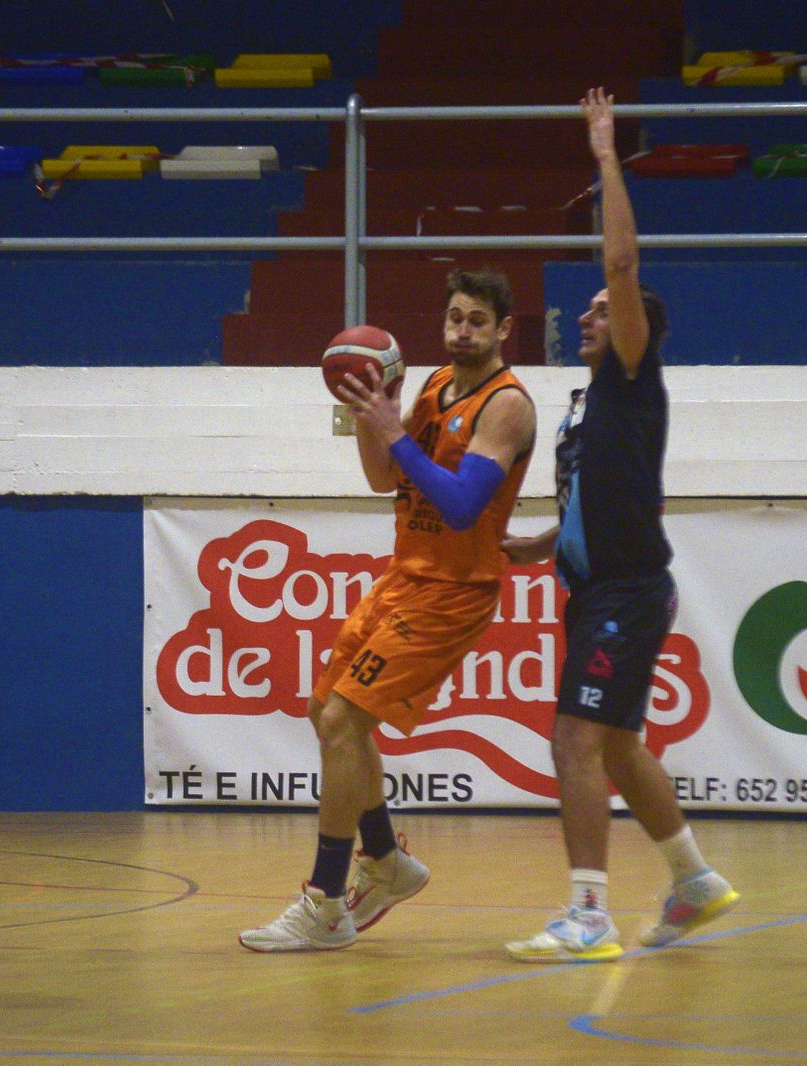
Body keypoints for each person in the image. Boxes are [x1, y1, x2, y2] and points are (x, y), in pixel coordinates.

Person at [499, 88, 738, 964]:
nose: (590, 314)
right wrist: (536, 545)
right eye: (592, 308)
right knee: (624, 747)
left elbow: (626, 266)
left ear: (637, 329)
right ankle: (695, 879)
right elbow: (586, 501)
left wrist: (605, 157)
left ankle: (589, 915)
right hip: (598, 587)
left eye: (603, 308)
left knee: (574, 736)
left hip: (628, 594)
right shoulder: (587, 407)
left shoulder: (635, 375)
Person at [239, 271, 537, 952]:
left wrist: (395, 434)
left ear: (502, 330)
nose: (462, 331)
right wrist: (373, 415)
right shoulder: (434, 387)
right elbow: (384, 478)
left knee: (344, 720)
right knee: (325, 713)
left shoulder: (507, 405)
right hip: (405, 574)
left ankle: (324, 902)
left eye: (477, 321)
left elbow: (463, 505)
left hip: (453, 592)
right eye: (454, 318)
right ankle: (388, 861)